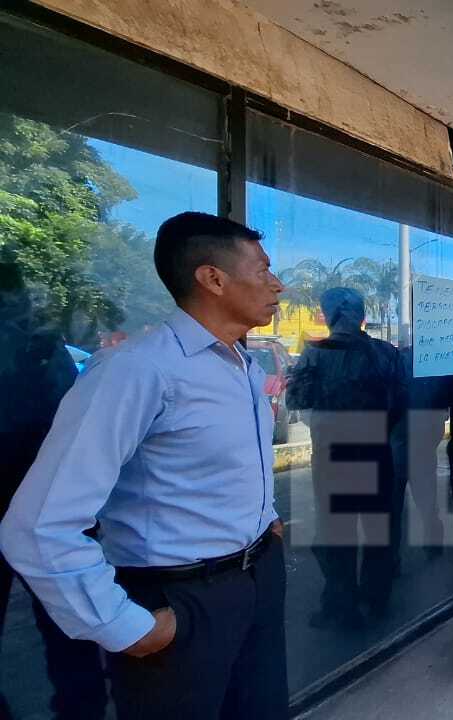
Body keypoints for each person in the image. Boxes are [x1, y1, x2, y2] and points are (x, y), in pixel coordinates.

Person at [0, 212, 288, 719]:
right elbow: (38, 525)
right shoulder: (138, 370)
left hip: (256, 579)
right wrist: (121, 625)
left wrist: (267, 522)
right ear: (213, 278)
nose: (277, 284)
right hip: (179, 597)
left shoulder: (243, 365)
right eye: (263, 269)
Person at [0, 254, 108, 719]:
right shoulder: (41, 344)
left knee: (68, 623)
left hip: (45, 500)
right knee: (68, 622)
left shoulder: (38, 345)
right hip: (52, 500)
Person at [287, 287, 406, 628]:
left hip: (333, 454)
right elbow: (401, 403)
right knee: (378, 531)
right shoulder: (385, 353)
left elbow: (296, 400)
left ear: (327, 316)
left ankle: (341, 607)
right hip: (376, 451)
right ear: (362, 316)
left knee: (336, 534)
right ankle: (376, 599)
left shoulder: (315, 354)